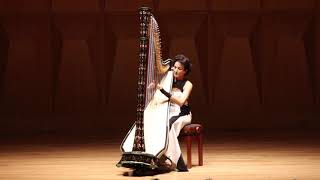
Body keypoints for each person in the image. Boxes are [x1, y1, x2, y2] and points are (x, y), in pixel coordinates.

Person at [149, 54, 193, 172]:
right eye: (174, 67)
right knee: (157, 123)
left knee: (169, 125)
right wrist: (154, 88)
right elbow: (162, 98)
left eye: (179, 68)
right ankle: (158, 157)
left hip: (183, 114)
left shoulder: (188, 84)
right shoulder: (168, 80)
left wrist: (162, 90)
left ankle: (177, 162)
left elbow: (180, 102)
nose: (175, 70)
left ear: (185, 71)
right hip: (169, 113)